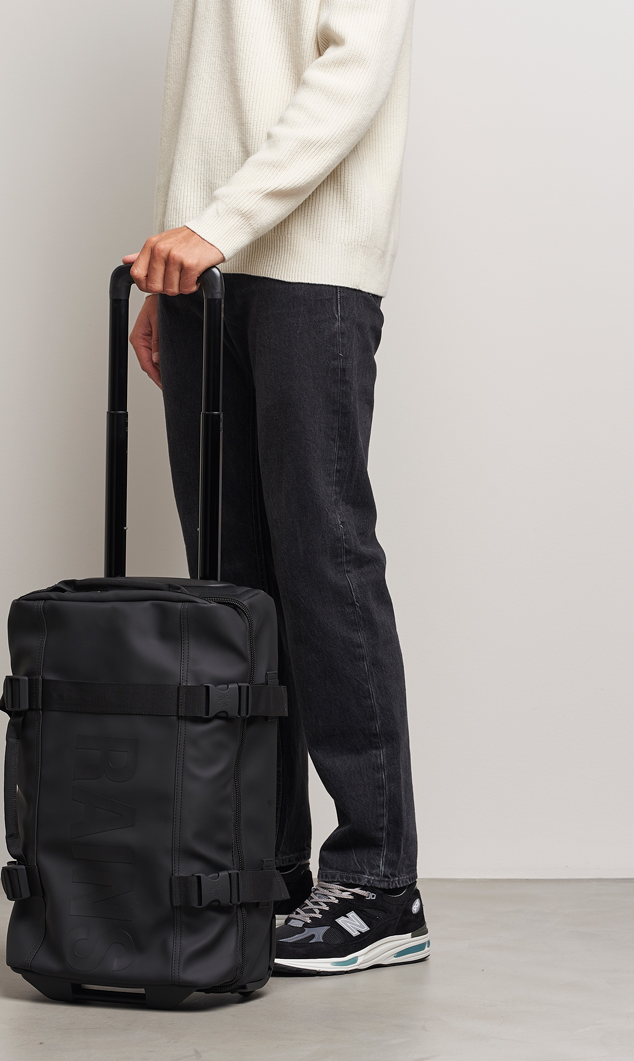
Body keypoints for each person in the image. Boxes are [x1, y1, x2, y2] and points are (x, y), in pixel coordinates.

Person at [125, 0, 429, 975]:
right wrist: (170, 257)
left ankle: (379, 886)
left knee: (325, 565)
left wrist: (212, 227)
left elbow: (351, 75)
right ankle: (268, 867)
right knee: (231, 587)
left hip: (308, 271)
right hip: (203, 274)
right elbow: (204, 99)